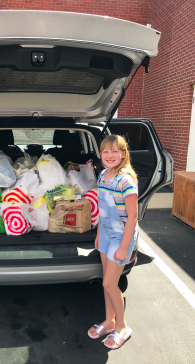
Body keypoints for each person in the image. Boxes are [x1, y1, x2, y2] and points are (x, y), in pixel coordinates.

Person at [88, 134, 138, 350]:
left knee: (109, 283)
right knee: (107, 282)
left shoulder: (126, 179)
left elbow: (133, 217)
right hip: (106, 234)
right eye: (105, 151)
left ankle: (122, 327)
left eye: (115, 151)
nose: (109, 155)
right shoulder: (102, 176)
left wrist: (124, 247)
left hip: (121, 236)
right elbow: (102, 209)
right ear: (100, 154)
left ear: (123, 154)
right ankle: (109, 322)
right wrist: (99, 234)